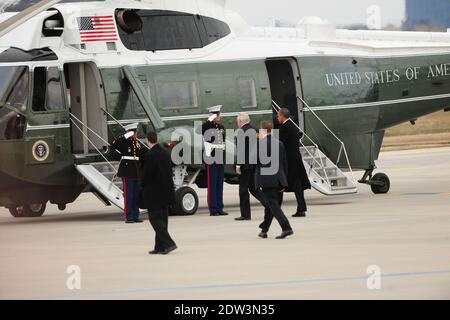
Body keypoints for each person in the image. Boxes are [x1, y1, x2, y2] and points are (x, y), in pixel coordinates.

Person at [140, 131, 177, 255]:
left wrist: (142, 183)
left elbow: (147, 174)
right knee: (162, 219)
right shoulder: (165, 153)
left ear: (147, 140)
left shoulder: (150, 155)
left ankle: (169, 243)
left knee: (154, 218)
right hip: (166, 191)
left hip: (154, 192)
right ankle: (160, 246)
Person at [255, 121, 294, 239]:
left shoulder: (259, 145)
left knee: (273, 205)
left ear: (263, 131)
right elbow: (284, 163)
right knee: (271, 205)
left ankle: (286, 227)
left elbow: (256, 163)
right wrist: (283, 179)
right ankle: (264, 229)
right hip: (279, 179)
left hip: (267, 180)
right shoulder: (280, 143)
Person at [277, 108, 311, 217]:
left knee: (281, 183)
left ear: (282, 116)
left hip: (290, 160)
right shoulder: (293, 126)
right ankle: (301, 208)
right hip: (296, 158)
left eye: (278, 116)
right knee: (297, 185)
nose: (277, 118)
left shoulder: (285, 127)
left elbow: (279, 142)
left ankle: (275, 208)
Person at [235, 112, 268, 221]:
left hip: (245, 165)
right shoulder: (256, 130)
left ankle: (245, 214)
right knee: (254, 189)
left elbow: (241, 150)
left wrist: (238, 165)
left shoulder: (241, 132)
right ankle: (269, 205)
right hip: (254, 164)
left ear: (241, 121)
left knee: (243, 190)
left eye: (237, 121)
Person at [111, 123, 144, 224]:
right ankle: (129, 216)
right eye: (134, 132)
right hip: (127, 170)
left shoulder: (137, 143)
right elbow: (113, 144)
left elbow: (142, 154)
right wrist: (126, 136)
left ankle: (135, 215)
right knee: (129, 194)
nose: (136, 134)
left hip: (136, 170)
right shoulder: (124, 142)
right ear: (130, 133)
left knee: (136, 194)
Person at [202, 105, 228, 216]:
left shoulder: (221, 127)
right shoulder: (208, 127)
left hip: (220, 158)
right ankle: (213, 209)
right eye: (216, 115)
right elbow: (202, 130)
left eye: (218, 114)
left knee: (219, 184)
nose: (218, 116)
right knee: (212, 184)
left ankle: (219, 207)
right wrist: (209, 119)